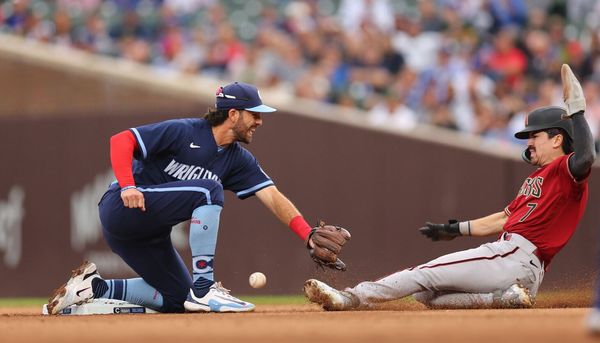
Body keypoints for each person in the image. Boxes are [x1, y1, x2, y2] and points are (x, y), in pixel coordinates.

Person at [304, 64, 596, 311]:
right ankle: (502, 298)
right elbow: (503, 219)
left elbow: (586, 157)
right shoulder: (543, 176)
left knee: (422, 275)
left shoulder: (566, 167)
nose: (529, 142)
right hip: (518, 266)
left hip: (514, 256)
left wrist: (577, 111)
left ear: (557, 139)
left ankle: (350, 297)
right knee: (426, 295)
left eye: (535, 135)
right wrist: (454, 229)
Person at [46, 82, 350, 314]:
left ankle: (93, 287)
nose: (259, 121)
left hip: (147, 234)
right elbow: (121, 140)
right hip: (122, 208)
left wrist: (307, 235)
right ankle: (205, 287)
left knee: (178, 299)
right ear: (233, 114)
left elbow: (272, 196)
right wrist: (128, 185)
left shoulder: (239, 160)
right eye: (254, 114)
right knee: (209, 189)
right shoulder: (185, 131)